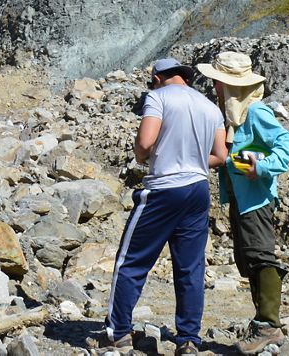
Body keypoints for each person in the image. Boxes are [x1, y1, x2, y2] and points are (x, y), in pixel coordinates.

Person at [88, 58, 227, 355]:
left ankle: (118, 332)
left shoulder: (157, 97)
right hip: (199, 190)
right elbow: (221, 155)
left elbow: (145, 141)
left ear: (157, 78)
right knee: (190, 267)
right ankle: (189, 340)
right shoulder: (210, 107)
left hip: (164, 190)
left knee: (132, 260)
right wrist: (193, 162)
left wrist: (143, 156)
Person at [198, 51, 289, 354]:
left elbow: (286, 142)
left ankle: (268, 325)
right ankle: (264, 324)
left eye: (218, 82)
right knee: (247, 259)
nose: (214, 87)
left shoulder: (255, 112)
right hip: (241, 198)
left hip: (256, 199)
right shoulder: (234, 117)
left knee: (260, 256)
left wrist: (261, 167)